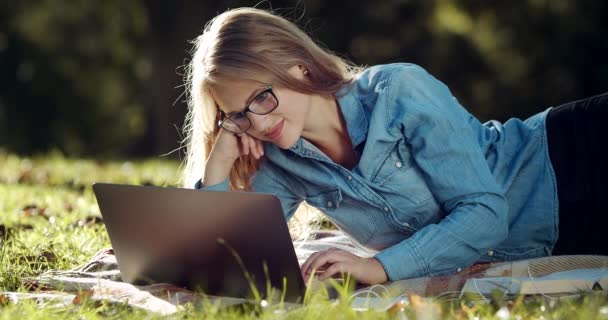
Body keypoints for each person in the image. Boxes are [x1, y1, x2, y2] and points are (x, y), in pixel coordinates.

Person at [181, 7, 608, 285]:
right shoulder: (279, 158)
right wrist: (218, 164)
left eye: (260, 98)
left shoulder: (398, 90)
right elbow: (228, 266)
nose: (256, 123)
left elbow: (486, 214)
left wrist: (377, 268)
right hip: (566, 234)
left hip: (570, 154)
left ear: (300, 68)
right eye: (237, 114)